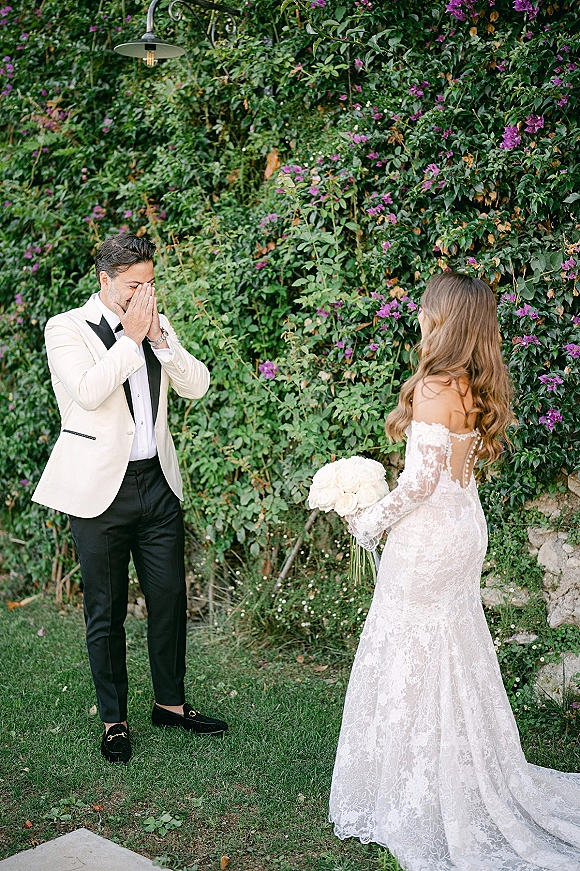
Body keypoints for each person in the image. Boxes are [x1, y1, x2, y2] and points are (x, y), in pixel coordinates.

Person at [329, 272, 580, 869]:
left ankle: (413, 787)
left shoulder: (431, 387)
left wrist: (368, 520)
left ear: (443, 320)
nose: (419, 316)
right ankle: (457, 770)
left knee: (409, 645)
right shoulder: (469, 387)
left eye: (426, 309)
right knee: (454, 647)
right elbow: (451, 477)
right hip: (465, 526)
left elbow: (417, 484)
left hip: (431, 536)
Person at [33, 233, 227, 764]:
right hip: (100, 490)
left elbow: (197, 385)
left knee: (168, 601)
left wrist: (160, 340)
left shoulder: (155, 323)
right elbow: (89, 391)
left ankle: (170, 703)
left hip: (156, 482)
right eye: (132, 285)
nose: (143, 292)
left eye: (150, 281)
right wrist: (131, 339)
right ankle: (114, 719)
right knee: (107, 609)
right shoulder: (66, 328)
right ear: (106, 281)